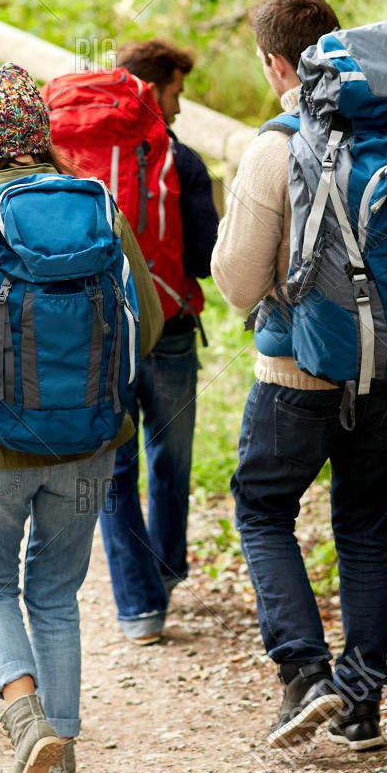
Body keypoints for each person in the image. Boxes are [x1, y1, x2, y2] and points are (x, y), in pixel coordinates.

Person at [0, 64, 164, 773]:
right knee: (54, 595)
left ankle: (26, 723)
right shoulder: (101, 211)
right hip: (90, 443)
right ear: (41, 137)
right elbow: (145, 328)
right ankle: (66, 772)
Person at [212, 0, 387, 753]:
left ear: (275, 64)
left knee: (263, 508)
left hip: (297, 374)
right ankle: (361, 706)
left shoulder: (277, 145)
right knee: (363, 525)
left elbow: (235, 282)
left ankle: (305, 674)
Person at [97, 38, 219, 645]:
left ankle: (139, 609)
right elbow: (202, 256)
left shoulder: (74, 155)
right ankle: (166, 574)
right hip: (167, 329)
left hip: (97, 339)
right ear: (153, 89)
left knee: (113, 470)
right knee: (169, 458)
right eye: (176, 93)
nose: (180, 107)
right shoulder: (184, 162)